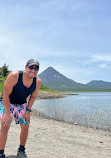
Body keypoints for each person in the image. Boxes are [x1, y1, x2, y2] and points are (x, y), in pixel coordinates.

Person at [0, 59, 41, 158]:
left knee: (25, 125)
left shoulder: (37, 81)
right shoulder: (14, 76)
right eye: (31, 67)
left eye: (36, 68)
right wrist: (7, 113)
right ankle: (0, 153)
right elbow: (5, 94)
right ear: (26, 68)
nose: (33, 70)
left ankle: (21, 151)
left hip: (22, 104)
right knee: (5, 125)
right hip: (7, 102)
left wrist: (28, 111)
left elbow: (33, 96)